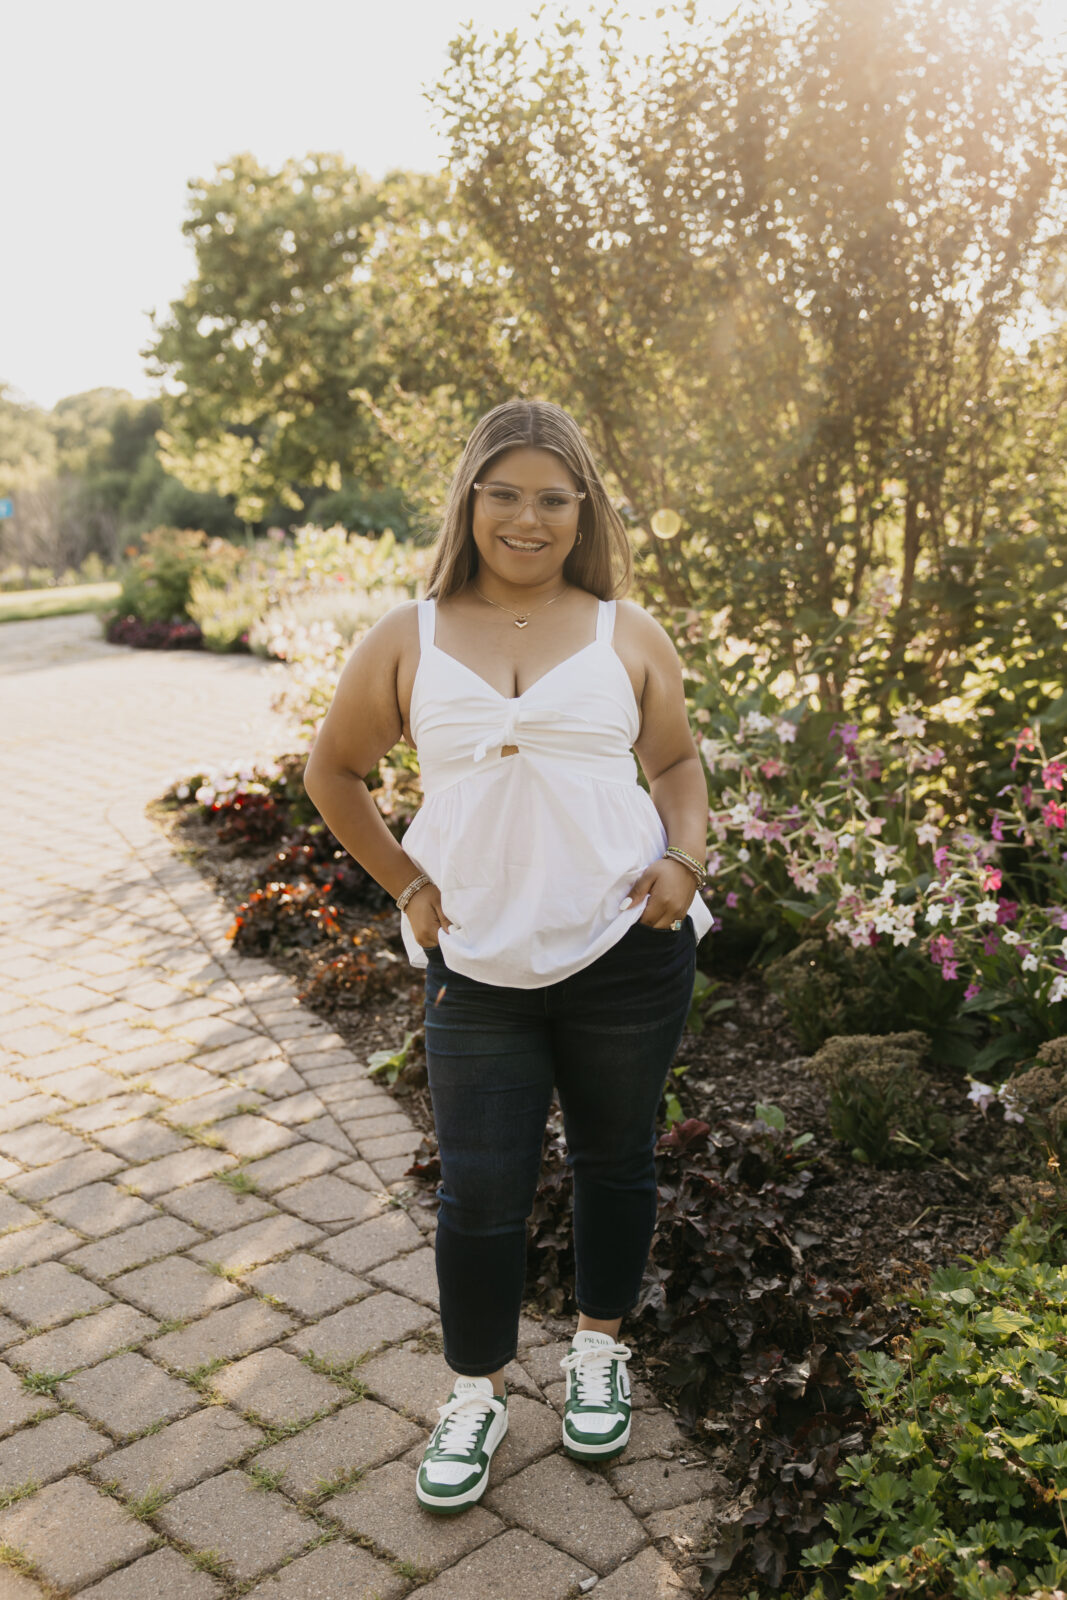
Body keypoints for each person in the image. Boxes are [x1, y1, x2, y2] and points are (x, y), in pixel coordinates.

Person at [302, 398, 712, 1516]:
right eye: (504, 494)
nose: (525, 518)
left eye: (550, 497)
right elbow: (331, 773)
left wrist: (681, 861)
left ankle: (596, 1351)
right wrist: (411, 885)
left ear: (580, 510)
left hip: (626, 949)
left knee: (613, 1160)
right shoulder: (410, 634)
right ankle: (474, 1393)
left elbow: (675, 764)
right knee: (479, 1194)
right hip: (477, 959)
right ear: (469, 502)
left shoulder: (626, 629)